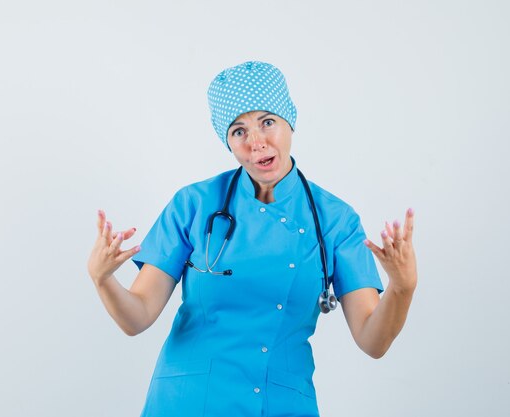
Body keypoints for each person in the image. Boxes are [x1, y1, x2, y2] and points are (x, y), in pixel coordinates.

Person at [87, 61, 417, 417]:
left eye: (267, 122)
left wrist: (402, 287)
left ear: (290, 120)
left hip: (281, 404)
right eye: (238, 131)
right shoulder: (194, 205)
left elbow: (373, 340)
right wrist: (102, 278)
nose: (256, 141)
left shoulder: (335, 220)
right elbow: (137, 316)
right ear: (226, 141)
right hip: (189, 402)